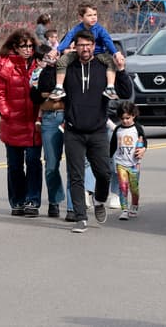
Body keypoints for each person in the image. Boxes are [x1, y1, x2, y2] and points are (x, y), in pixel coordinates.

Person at [61, 29, 132, 233]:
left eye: (88, 45)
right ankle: (81, 218)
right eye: (81, 45)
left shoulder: (104, 68)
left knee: (104, 173)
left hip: (98, 131)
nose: (85, 48)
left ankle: (99, 200)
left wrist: (121, 70)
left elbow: (126, 93)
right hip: (74, 131)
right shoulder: (68, 67)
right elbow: (47, 87)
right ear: (75, 46)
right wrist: (50, 65)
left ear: (93, 46)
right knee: (75, 176)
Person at [0, 29, 43, 218]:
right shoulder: (4, 65)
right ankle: (17, 201)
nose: (28, 49)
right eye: (24, 46)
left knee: (33, 162)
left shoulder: (39, 64)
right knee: (14, 165)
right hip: (13, 122)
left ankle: (32, 200)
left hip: (34, 123)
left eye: (31, 46)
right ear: (15, 47)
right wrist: (6, 113)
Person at [49, 2, 125, 101]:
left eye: (95, 15)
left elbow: (108, 41)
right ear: (81, 18)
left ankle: (110, 88)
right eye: (89, 15)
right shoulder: (77, 29)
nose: (93, 18)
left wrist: (116, 52)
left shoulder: (100, 29)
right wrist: (57, 50)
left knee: (111, 61)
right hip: (80, 53)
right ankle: (59, 87)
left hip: (98, 53)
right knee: (62, 61)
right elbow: (67, 39)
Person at [30, 46, 65, 218]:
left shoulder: (68, 70)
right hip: (50, 118)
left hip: (69, 117)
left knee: (78, 164)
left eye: (54, 55)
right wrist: (48, 94)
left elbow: (69, 94)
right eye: (47, 56)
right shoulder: (40, 73)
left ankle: (76, 204)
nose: (51, 58)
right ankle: (54, 201)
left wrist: (51, 93)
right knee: (51, 164)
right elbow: (36, 95)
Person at [109, 101, 147, 220]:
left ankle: (134, 206)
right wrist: (108, 159)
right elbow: (112, 145)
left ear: (133, 115)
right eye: (122, 118)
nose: (125, 121)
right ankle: (124, 210)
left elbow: (144, 141)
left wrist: (143, 149)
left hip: (134, 164)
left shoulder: (137, 128)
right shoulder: (118, 130)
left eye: (128, 118)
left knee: (134, 187)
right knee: (123, 187)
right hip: (121, 163)